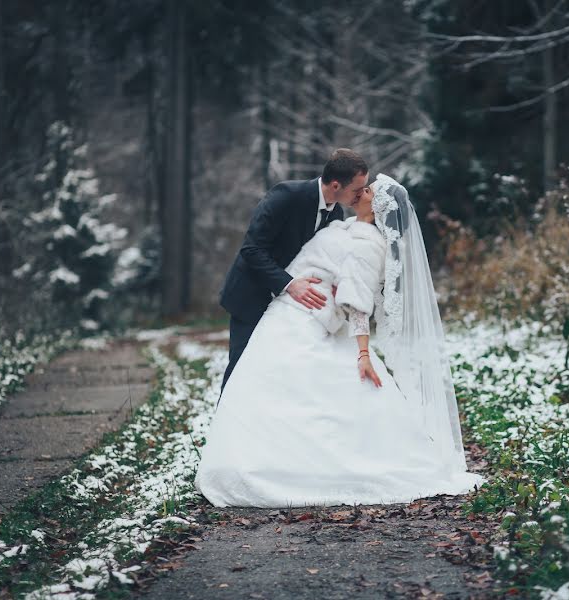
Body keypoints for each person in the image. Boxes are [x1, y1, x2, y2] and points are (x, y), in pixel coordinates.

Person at [195, 173, 485, 508]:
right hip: (286, 312)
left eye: (369, 190)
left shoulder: (369, 243)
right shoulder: (342, 223)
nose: (362, 191)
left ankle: (289, 470)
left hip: (310, 320)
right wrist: (294, 282)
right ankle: (237, 462)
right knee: (256, 387)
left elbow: (357, 302)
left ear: (377, 209)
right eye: (362, 187)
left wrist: (363, 352)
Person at [217, 148, 369, 393]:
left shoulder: (337, 214)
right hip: (252, 295)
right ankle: (224, 428)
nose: (361, 195)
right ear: (336, 185)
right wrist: (289, 283)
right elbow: (252, 249)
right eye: (357, 189)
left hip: (293, 311)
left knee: (274, 372)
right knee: (242, 368)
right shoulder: (286, 195)